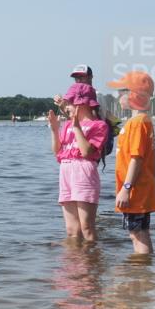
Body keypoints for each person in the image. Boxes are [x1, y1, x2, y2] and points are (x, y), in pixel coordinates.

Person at [46, 83, 108, 243]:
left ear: (83, 103)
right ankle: (74, 258)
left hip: (84, 173)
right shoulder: (67, 125)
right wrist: (54, 130)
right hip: (66, 172)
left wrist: (77, 127)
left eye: (70, 103)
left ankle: (92, 256)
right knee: (72, 229)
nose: (66, 107)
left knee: (87, 227)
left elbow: (87, 152)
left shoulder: (99, 125)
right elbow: (57, 152)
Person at [106, 71, 155, 254]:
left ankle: (141, 269)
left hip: (135, 189)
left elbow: (137, 158)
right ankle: (143, 269)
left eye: (121, 91)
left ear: (134, 95)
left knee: (137, 234)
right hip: (140, 187)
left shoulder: (137, 123)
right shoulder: (141, 121)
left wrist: (126, 188)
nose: (118, 96)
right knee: (140, 231)